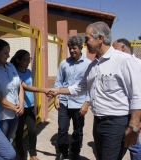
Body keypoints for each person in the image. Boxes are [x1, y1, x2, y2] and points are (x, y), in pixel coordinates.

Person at [48, 22, 141, 160]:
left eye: (87, 39)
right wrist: (58, 91)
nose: (85, 43)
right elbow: (79, 88)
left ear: (100, 38)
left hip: (116, 124)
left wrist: (133, 126)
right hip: (98, 123)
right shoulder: (93, 65)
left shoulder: (124, 60)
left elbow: (137, 95)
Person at [53, 36, 91, 160]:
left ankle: (75, 152)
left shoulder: (88, 65)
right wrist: (56, 98)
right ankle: (62, 152)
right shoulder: (64, 63)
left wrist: (86, 102)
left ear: (81, 48)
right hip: (64, 102)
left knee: (78, 131)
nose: (72, 51)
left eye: (74, 48)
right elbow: (58, 81)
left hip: (79, 103)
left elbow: (91, 86)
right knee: (62, 129)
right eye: (70, 48)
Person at [10, 49, 51, 160]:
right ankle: (22, 155)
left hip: (30, 106)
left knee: (32, 131)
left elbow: (29, 87)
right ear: (18, 60)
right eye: (25, 59)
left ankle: (33, 154)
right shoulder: (15, 72)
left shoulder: (27, 72)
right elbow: (25, 87)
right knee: (19, 133)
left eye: (29, 59)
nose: (28, 62)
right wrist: (43, 90)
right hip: (21, 107)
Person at [0, 39, 24, 143]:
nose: (8, 56)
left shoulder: (10, 66)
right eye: (6, 53)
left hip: (15, 113)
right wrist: (16, 108)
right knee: (1, 143)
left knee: (10, 139)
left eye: (8, 53)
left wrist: (21, 104)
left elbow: (20, 85)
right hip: (2, 116)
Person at [112, 38, 141, 160]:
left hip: (134, 112)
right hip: (122, 112)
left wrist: (137, 121)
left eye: (115, 49)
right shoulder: (118, 64)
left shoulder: (138, 64)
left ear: (123, 48)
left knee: (133, 144)